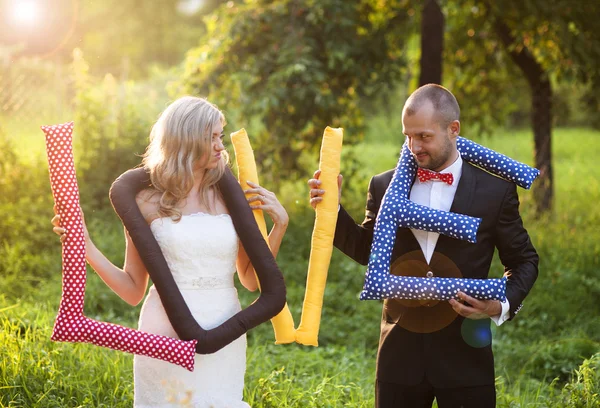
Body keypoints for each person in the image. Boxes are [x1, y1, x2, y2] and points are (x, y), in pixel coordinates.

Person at [308, 84, 538, 408]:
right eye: (408, 136)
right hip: (399, 359)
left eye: (424, 137)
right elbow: (366, 250)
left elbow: (524, 260)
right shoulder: (384, 185)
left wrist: (498, 306)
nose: (414, 146)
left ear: (453, 129)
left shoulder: (495, 191)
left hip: (466, 360)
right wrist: (331, 209)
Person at [51, 96, 289, 407]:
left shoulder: (230, 196)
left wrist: (279, 226)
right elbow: (133, 289)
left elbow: (249, 279)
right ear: (187, 139)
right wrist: (86, 247)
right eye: (212, 137)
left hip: (225, 328)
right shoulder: (146, 201)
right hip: (164, 331)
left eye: (221, 136)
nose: (221, 146)